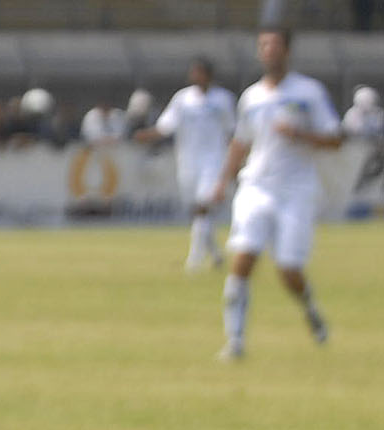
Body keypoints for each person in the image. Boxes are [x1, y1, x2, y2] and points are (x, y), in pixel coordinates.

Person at [210, 27, 342, 361]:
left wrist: (300, 134)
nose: (267, 51)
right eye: (263, 45)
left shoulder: (308, 92)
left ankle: (309, 306)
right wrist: (222, 181)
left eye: (274, 45)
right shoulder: (251, 96)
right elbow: (241, 142)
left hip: (296, 190)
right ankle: (235, 342)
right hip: (256, 186)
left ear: (287, 51)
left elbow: (335, 138)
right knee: (243, 258)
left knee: (288, 270)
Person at [134, 58, 236, 271]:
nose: (194, 77)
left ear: (208, 75)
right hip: (187, 162)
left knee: (203, 207)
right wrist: (147, 135)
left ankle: (195, 260)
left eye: (198, 72)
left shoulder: (223, 99)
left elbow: (231, 131)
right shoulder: (182, 99)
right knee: (196, 210)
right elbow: (166, 126)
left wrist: (233, 164)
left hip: (213, 161)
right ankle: (216, 254)